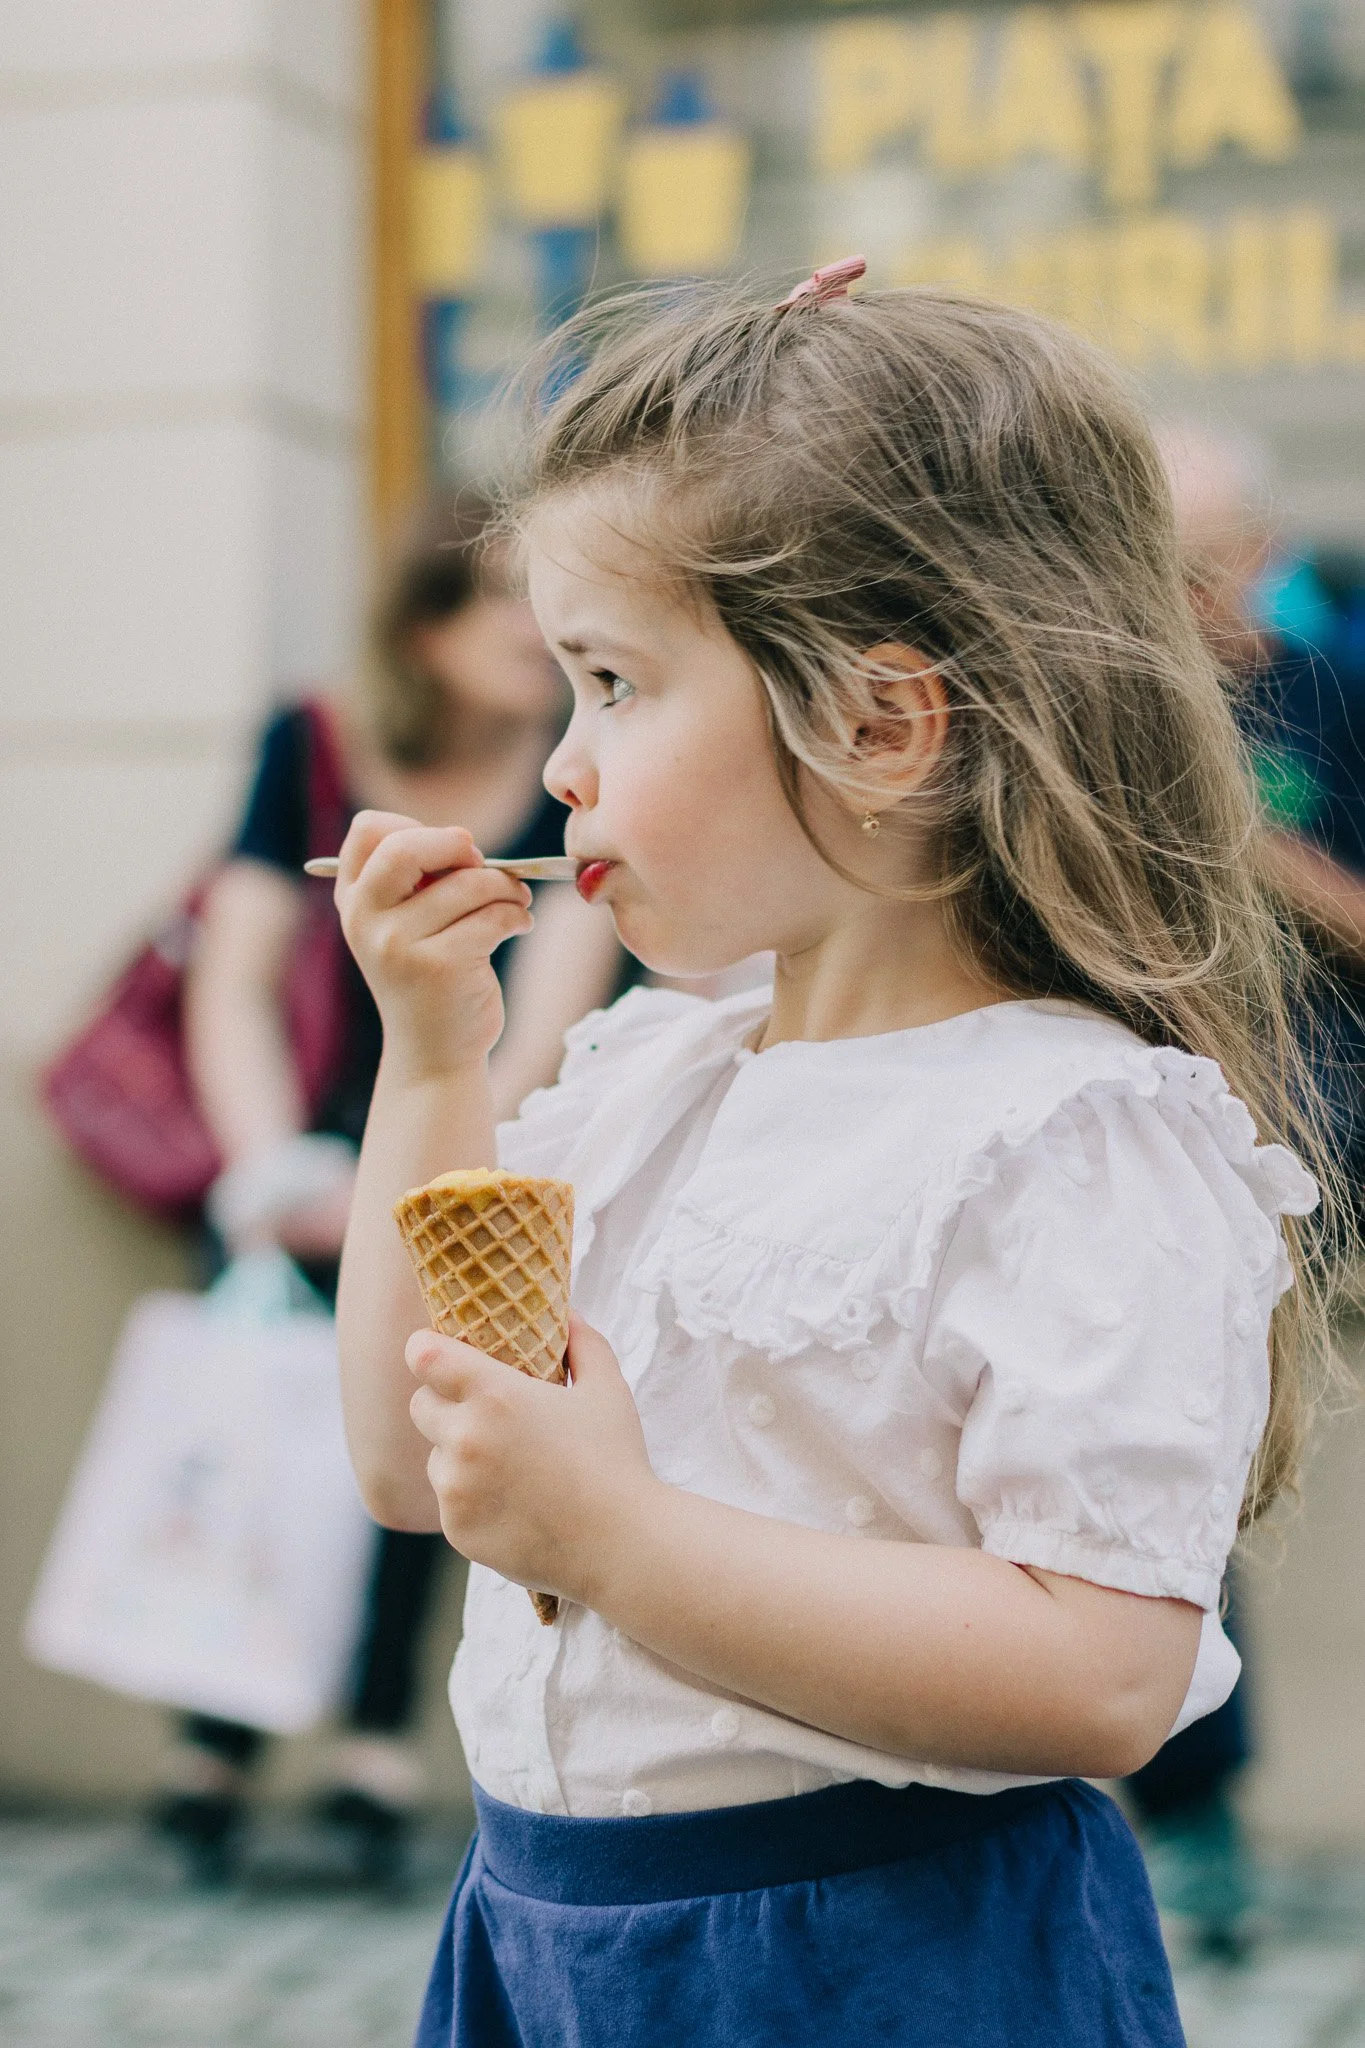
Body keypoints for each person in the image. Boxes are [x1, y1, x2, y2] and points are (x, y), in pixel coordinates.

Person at [331, 269, 1334, 2044]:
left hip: (883, 1974)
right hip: (556, 1951)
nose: (559, 766)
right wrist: (434, 1056)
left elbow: (1105, 1674)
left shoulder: (1074, 1132)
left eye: (617, 685)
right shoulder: (653, 1074)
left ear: (878, 726)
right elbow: (412, 1464)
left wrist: (623, 1538)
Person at [154, 493, 625, 1887]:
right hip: (289, 1160)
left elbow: (550, 998)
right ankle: (216, 1740)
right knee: (253, 1445)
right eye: (507, 616)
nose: (540, 651)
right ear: (424, 628)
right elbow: (231, 979)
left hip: (474, 1136)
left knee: (433, 1414)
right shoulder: (310, 744)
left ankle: (370, 1740)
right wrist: (270, 1172)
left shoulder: (568, 764)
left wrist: (431, 1149)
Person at [1122, 425, 1365, 1957]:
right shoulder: (1120, 695)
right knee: (1164, 1425)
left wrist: (1254, 847)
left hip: (1320, 1100)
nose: (1191, 602)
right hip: (1166, 1119)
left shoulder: (1324, 686)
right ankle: (1192, 1806)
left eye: (1205, 570)